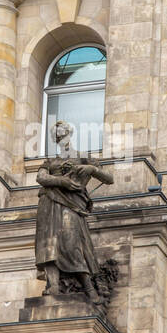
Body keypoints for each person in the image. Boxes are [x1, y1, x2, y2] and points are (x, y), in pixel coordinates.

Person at [35, 121, 113, 304]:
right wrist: (62, 182)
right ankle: (53, 285)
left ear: (70, 134)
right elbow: (40, 177)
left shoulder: (83, 158)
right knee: (48, 245)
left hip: (72, 205)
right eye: (57, 136)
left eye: (63, 135)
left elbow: (109, 178)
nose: (60, 138)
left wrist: (91, 169)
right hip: (49, 202)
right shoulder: (50, 161)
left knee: (72, 244)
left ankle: (89, 288)